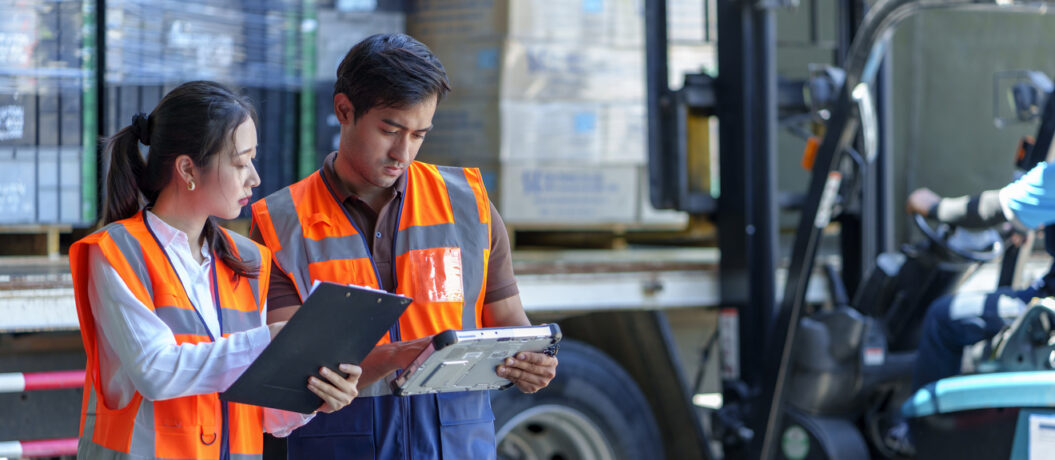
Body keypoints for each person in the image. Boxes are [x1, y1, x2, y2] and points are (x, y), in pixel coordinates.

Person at [250, 34, 558, 459]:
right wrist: (408, 355)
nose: (403, 152)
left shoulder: (469, 205)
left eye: (419, 134)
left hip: (455, 443)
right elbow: (289, 377)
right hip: (340, 445)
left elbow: (509, 323)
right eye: (390, 130)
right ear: (344, 110)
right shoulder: (280, 223)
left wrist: (533, 362)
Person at [69, 81, 361, 459]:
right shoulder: (116, 252)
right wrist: (268, 342)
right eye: (241, 162)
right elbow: (155, 371)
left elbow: (263, 412)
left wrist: (312, 392)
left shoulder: (249, 259)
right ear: (187, 168)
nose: (254, 177)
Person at [906, 159, 1055, 391]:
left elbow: (988, 209)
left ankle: (921, 425)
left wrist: (934, 206)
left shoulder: (1050, 177)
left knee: (941, 317)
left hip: (1049, 309)